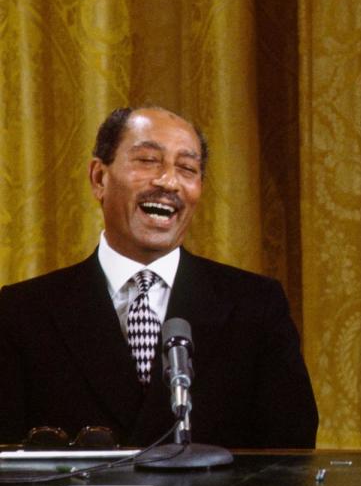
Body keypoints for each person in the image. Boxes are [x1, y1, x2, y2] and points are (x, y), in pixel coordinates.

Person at [0, 107, 319, 448]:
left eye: (187, 168)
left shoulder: (255, 305)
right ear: (98, 178)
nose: (168, 182)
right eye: (148, 160)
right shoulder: (21, 312)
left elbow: (290, 456)